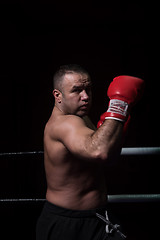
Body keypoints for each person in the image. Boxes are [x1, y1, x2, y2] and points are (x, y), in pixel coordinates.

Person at [36, 64, 144, 240]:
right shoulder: (64, 124)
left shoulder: (81, 118)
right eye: (76, 90)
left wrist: (115, 131)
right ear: (58, 95)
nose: (85, 97)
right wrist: (118, 105)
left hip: (95, 217)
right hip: (68, 224)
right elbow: (99, 151)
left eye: (88, 89)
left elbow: (107, 158)